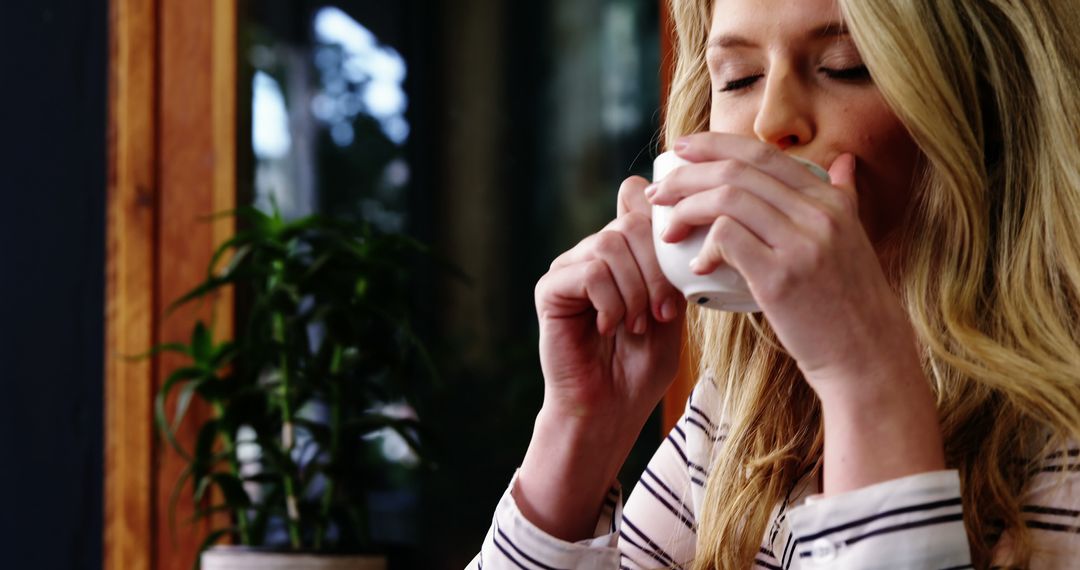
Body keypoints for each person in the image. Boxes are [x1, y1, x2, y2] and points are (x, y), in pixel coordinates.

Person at [469, 0, 1080, 567]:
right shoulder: (740, 412)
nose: (770, 121)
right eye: (737, 78)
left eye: (847, 67)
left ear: (989, 101)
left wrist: (865, 378)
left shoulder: (1063, 425)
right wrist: (582, 427)